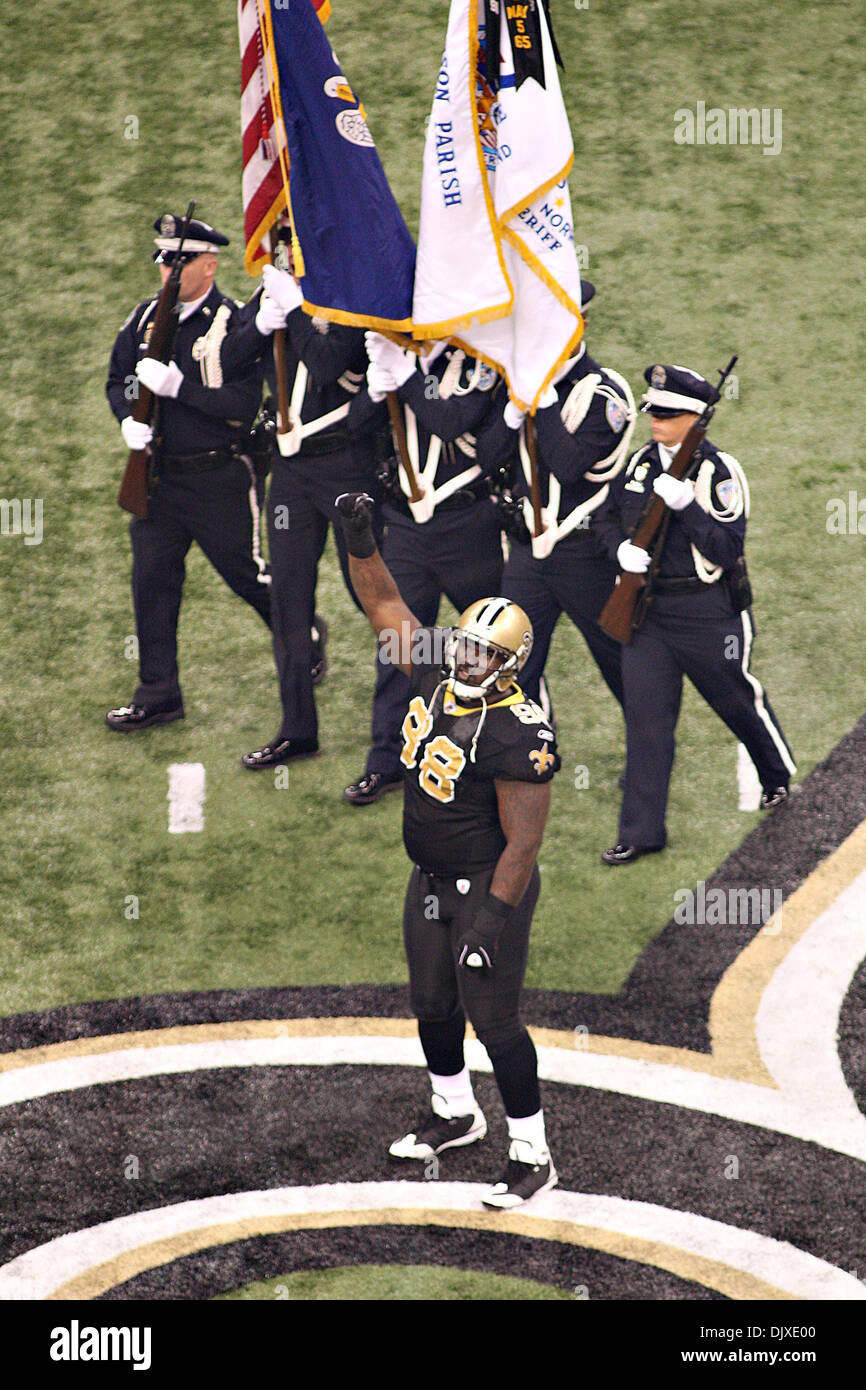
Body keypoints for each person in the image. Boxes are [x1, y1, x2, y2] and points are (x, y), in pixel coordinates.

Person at [335, 490, 561, 1209]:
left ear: (511, 663)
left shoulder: (517, 729)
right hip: (429, 875)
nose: (464, 659)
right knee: (432, 1004)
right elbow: (384, 606)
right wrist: (361, 542)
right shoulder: (435, 670)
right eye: (463, 645)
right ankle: (454, 1112)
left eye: (482, 653)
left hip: (488, 885)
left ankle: (532, 1153)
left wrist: (491, 923)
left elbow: (524, 842)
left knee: (494, 1019)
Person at [594, 363, 796, 864]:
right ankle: (641, 832)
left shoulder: (718, 472)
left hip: (707, 613)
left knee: (736, 703)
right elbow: (602, 518)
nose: (655, 421)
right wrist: (619, 549)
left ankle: (776, 776)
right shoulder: (640, 464)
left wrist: (687, 505)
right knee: (646, 722)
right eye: (653, 412)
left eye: (666, 414)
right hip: (648, 613)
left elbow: (728, 547)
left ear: (693, 419)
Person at [219, 250, 387, 769]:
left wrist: (292, 309)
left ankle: (414, 719)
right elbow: (228, 361)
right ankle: (297, 729)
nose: (289, 257)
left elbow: (329, 360)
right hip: (291, 473)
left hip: (346, 467)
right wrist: (258, 324)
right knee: (288, 600)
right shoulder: (276, 292)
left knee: (376, 597)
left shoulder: (353, 301)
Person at [105, 213, 271, 731]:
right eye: (163, 260)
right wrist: (129, 421)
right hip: (159, 480)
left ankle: (304, 634)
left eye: (178, 261)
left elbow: (244, 405)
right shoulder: (144, 320)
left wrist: (182, 390)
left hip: (218, 478)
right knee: (151, 581)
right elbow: (118, 381)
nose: (167, 271)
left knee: (247, 575)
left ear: (208, 264)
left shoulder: (235, 323)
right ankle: (158, 692)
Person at [341, 331, 505, 805]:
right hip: (407, 525)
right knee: (398, 642)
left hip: (468, 525)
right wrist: (377, 386)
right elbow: (358, 427)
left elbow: (449, 421)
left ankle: (519, 748)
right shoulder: (399, 354)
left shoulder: (480, 358)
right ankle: (386, 760)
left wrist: (406, 374)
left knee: (495, 644)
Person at [476, 281, 634, 718]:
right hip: (528, 555)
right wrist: (512, 411)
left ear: (578, 324)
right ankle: (524, 760)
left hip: (584, 555)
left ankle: (647, 762)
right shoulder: (521, 382)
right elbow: (487, 458)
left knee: (617, 662)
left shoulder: (605, 395)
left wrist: (541, 403)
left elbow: (568, 465)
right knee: (512, 663)